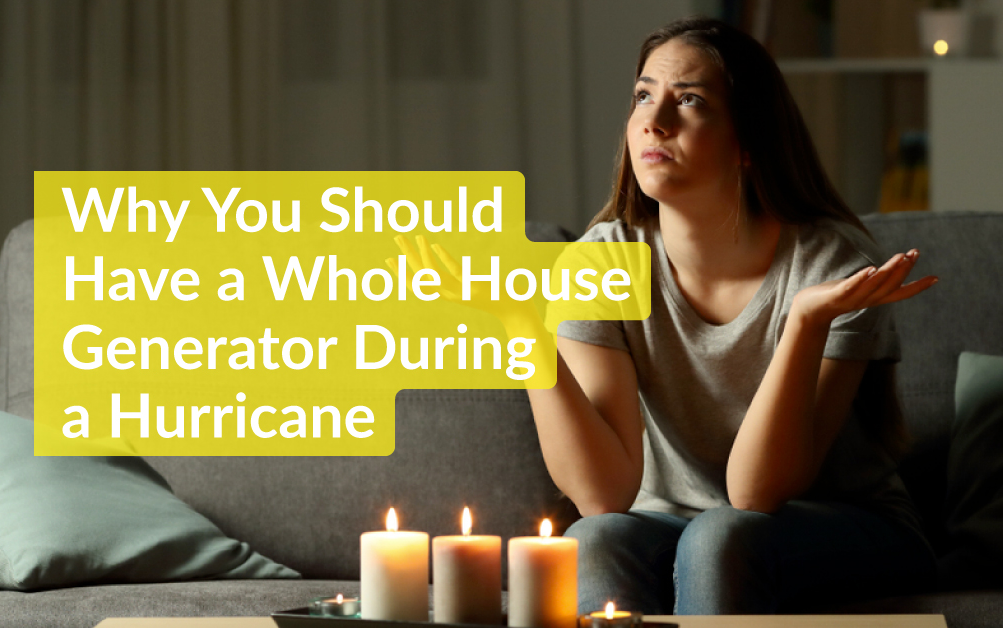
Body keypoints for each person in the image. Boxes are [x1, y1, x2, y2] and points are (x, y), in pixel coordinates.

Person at [399, 15, 939, 616]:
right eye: (643, 96)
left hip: (841, 525)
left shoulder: (831, 265)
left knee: (721, 537)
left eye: (689, 100)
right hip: (671, 527)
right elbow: (604, 494)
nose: (654, 121)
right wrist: (522, 326)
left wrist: (805, 325)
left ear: (749, 141)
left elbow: (756, 493)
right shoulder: (604, 259)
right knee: (592, 543)